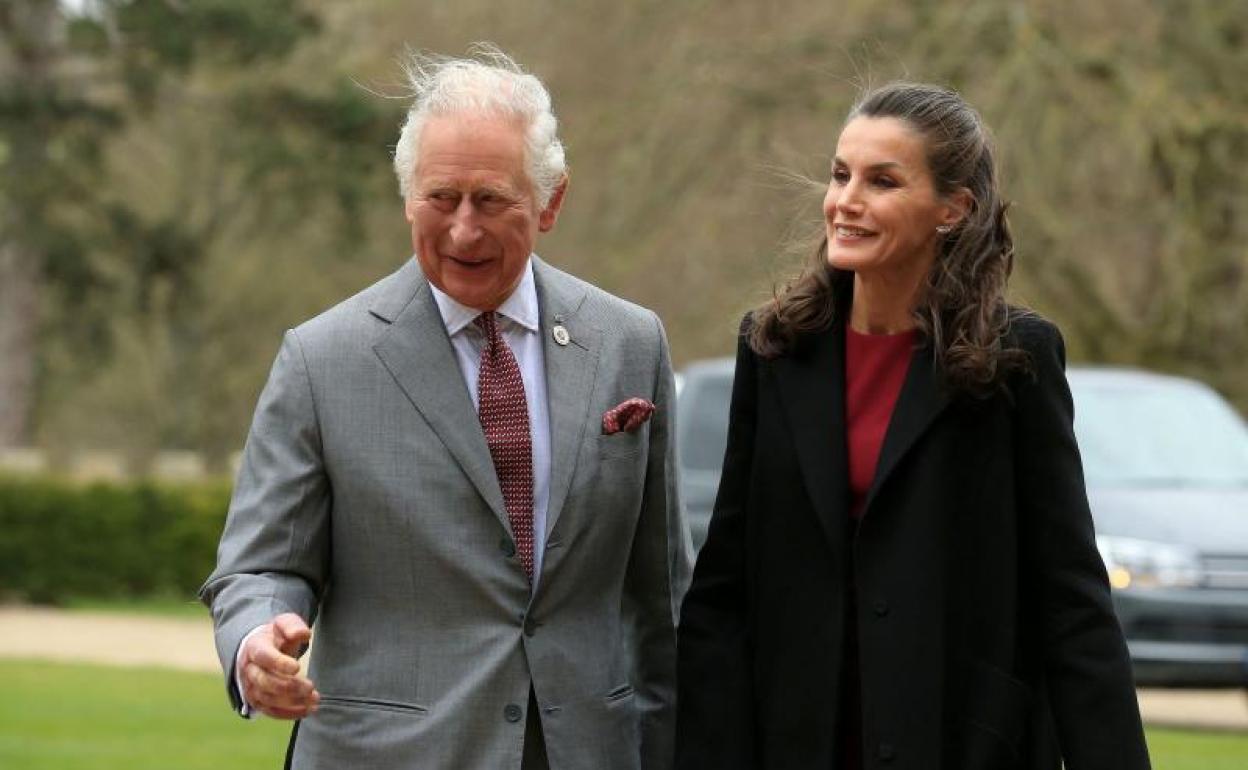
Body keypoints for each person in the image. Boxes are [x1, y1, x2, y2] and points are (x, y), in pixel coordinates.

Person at [200, 45, 690, 770]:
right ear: (407, 196)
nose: (463, 230)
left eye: (491, 200)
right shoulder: (322, 359)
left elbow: (662, 599)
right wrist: (254, 642)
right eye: (441, 198)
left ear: (550, 201)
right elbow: (260, 565)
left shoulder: (628, 342)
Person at [675, 82, 1151, 769]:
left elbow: (1070, 599)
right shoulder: (775, 350)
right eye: (841, 175)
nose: (846, 201)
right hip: (797, 741)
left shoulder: (1014, 359)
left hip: (963, 743)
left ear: (952, 209)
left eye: (882, 181)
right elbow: (724, 591)